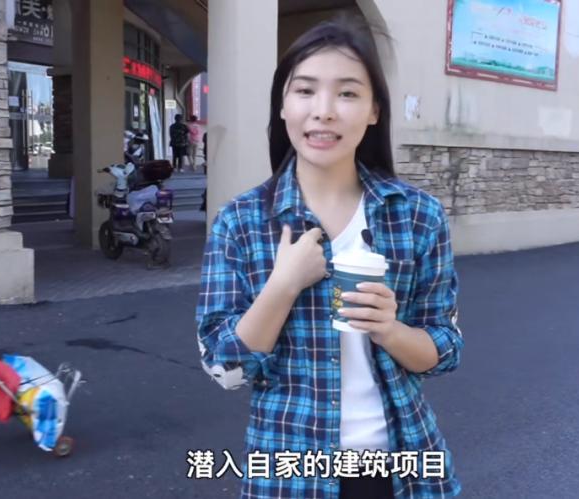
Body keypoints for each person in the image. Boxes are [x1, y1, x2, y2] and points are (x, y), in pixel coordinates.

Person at [196, 18, 463, 498]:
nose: (323, 111)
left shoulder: (417, 216)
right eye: (305, 90)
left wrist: (390, 330)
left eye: (347, 94)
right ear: (283, 105)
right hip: (290, 473)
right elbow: (226, 368)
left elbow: (444, 350)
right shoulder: (240, 221)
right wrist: (282, 286)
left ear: (374, 110)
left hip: (401, 466)